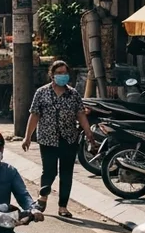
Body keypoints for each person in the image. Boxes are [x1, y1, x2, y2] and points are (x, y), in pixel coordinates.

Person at [21, 60, 95, 218]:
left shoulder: (73, 94)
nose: (63, 76)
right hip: (47, 138)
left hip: (69, 138)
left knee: (66, 173)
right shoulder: (42, 93)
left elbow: (80, 114)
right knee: (49, 170)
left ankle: (63, 206)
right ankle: (43, 195)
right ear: (52, 75)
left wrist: (89, 133)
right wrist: (27, 137)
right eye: (59, 73)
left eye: (65, 73)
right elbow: (34, 115)